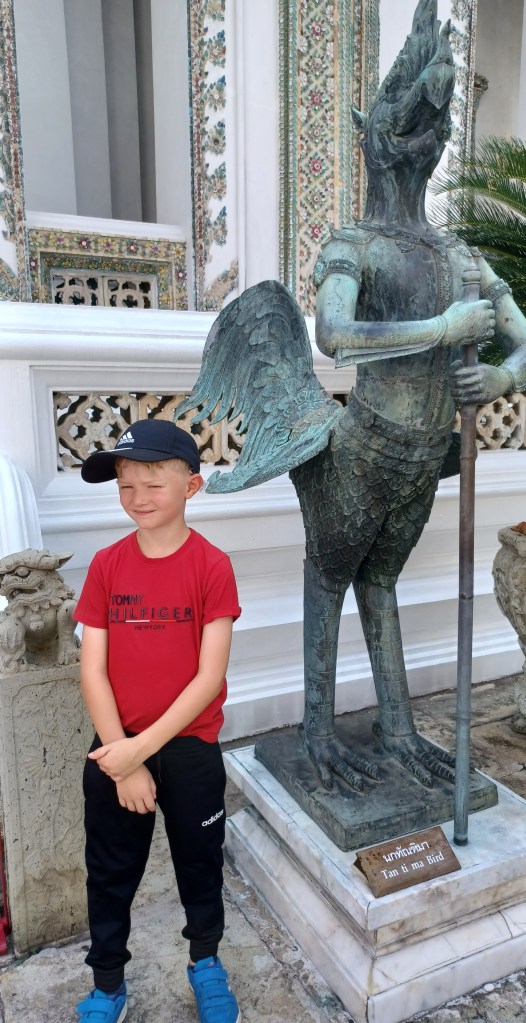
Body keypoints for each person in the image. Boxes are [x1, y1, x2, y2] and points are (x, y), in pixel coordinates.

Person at [73, 418, 241, 1023]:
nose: (137, 498)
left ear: (191, 486)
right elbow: (92, 670)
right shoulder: (106, 565)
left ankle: (206, 962)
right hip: (115, 748)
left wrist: (139, 751)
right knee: (109, 872)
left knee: (201, 863)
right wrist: (123, 759)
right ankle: (108, 984)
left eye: (153, 483)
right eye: (126, 485)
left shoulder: (212, 566)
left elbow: (208, 678)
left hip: (188, 751)